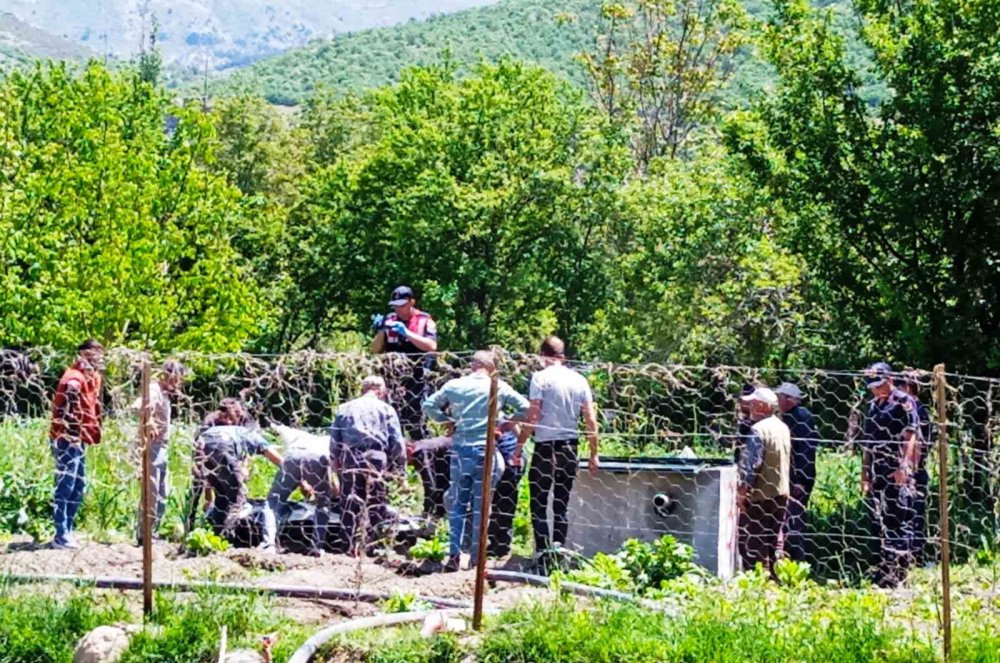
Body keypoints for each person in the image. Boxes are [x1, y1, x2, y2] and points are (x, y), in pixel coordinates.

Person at [423, 350, 529, 572]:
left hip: (461, 449)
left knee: (457, 503)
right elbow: (526, 408)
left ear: (472, 365)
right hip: (486, 450)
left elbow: (429, 405)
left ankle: (454, 554)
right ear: (492, 368)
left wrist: (448, 422)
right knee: (482, 505)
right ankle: (475, 556)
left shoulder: (455, 385)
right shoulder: (497, 386)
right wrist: (504, 425)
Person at [512, 336, 599, 569]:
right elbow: (590, 419)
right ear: (563, 356)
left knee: (539, 503)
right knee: (561, 504)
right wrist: (594, 452)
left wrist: (518, 448)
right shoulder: (579, 379)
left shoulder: (540, 378)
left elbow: (533, 416)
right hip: (569, 447)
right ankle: (558, 553)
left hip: (545, 447)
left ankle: (543, 555)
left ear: (543, 355)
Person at [371, 285, 445, 517]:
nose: (398, 310)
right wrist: (381, 331)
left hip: (417, 388)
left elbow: (432, 347)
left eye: (402, 306)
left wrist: (406, 333)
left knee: (420, 444)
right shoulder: (390, 320)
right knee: (389, 441)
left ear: (412, 302)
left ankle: (432, 502)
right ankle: (387, 500)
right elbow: (375, 350)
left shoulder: (424, 321)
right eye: (395, 307)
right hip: (393, 388)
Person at [860, 362, 922, 587]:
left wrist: (904, 466)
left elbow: (911, 436)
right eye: (872, 386)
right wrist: (865, 474)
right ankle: (882, 571)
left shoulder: (904, 402)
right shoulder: (872, 407)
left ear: (890, 379)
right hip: (877, 472)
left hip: (896, 471)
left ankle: (899, 575)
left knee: (898, 520)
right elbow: (867, 444)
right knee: (877, 521)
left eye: (878, 385)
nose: (875, 390)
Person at [330, 375, 406, 556]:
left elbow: (335, 438)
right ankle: (369, 545)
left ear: (362, 389)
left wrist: (335, 461)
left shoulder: (345, 408)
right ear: (381, 391)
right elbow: (397, 441)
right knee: (375, 501)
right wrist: (400, 469)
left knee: (350, 500)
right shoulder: (386, 409)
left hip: (351, 456)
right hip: (377, 456)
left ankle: (348, 545)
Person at [190, 400, 283, 545]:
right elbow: (273, 455)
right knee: (237, 499)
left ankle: (199, 532)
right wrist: (298, 476)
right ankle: (226, 538)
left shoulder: (210, 429)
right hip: (224, 448)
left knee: (221, 497)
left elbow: (202, 468)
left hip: (202, 446)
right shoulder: (247, 433)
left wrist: (207, 495)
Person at [48, 339, 105, 550]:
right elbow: (71, 392)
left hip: (80, 438)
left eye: (99, 355)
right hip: (66, 438)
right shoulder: (74, 376)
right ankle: (60, 534)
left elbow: (93, 405)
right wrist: (70, 429)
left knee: (79, 485)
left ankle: (69, 529)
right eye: (93, 355)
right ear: (82, 355)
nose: (97, 359)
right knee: (66, 484)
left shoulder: (93, 378)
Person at [737, 386, 791, 577]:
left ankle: (761, 579)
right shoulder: (782, 427)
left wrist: (741, 494)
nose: (749, 407)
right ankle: (777, 576)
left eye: (752, 403)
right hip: (781, 492)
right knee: (774, 538)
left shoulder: (758, 430)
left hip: (760, 495)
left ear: (762, 405)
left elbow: (751, 465)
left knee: (754, 541)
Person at [263, 425, 336, 557]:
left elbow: (299, 469)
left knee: (273, 502)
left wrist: (302, 483)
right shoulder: (329, 440)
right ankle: (316, 547)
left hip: (294, 454)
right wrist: (332, 494)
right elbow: (333, 479)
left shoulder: (295, 435)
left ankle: (269, 545)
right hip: (319, 457)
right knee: (323, 505)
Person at [133, 360, 186, 540]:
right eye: (177, 379)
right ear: (168, 375)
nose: (178, 383)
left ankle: (152, 531)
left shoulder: (163, 393)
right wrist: (150, 422)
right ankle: (145, 534)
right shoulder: (154, 390)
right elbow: (138, 407)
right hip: (152, 446)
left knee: (162, 491)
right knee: (152, 491)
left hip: (162, 446)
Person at [773, 382, 818, 562]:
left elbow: (806, 450)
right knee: (784, 519)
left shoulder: (801, 416)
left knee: (793, 521)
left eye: (780, 397)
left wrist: (801, 480)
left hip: (798, 479)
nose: (777, 401)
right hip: (787, 476)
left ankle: (797, 562)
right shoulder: (786, 417)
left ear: (790, 399)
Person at [901, 371, 933, 561]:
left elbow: (919, 444)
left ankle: (915, 557)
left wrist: (909, 471)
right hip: (911, 471)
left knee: (913, 515)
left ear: (908, 387)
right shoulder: (915, 409)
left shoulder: (916, 411)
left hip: (913, 472)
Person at [487, 417, 522, 558]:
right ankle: (497, 543)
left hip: (507, 455)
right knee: (502, 501)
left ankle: (500, 544)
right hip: (509, 454)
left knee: (503, 500)